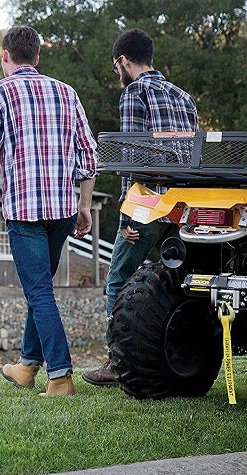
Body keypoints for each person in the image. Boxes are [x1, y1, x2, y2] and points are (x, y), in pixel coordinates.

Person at [0, 26, 98, 396]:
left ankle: (61, 376)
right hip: (63, 209)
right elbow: (88, 153)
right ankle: (25, 366)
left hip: (26, 212)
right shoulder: (66, 92)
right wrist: (84, 205)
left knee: (38, 291)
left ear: (5, 56)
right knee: (43, 289)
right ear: (37, 58)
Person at [82, 28, 199, 387]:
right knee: (175, 280)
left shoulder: (135, 92)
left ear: (124, 61)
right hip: (183, 206)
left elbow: (129, 153)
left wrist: (124, 211)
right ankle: (178, 354)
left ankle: (118, 361)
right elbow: (195, 156)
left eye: (116, 65)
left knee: (117, 280)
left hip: (147, 204)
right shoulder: (184, 97)